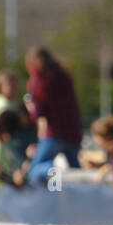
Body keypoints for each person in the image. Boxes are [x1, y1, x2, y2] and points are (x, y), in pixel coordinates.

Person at [25, 47, 82, 184]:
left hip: (55, 133)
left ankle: (53, 170)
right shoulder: (64, 76)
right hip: (73, 132)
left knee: (34, 172)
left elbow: (38, 113)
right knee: (77, 175)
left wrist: (30, 107)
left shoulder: (39, 81)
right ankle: (73, 201)